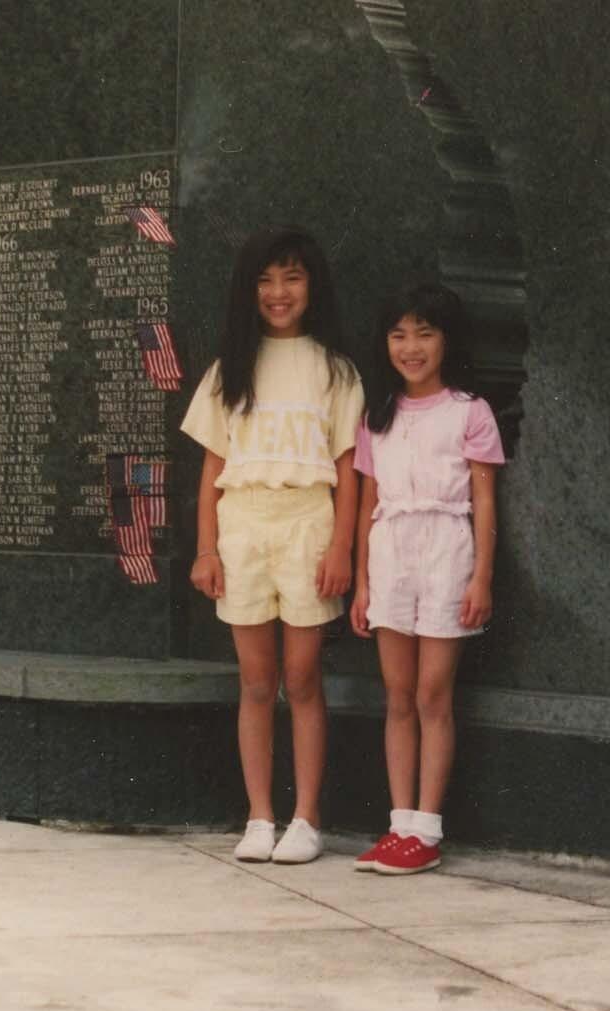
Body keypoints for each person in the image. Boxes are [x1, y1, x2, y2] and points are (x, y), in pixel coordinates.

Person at [183, 227, 363, 864]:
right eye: (264, 280)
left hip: (308, 522)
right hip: (244, 524)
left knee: (303, 676)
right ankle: (259, 816)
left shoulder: (335, 370)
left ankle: (306, 818)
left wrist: (341, 548)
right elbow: (212, 468)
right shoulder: (229, 370)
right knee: (257, 680)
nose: (278, 292)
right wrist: (206, 549)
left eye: (291, 277)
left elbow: (348, 470)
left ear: (312, 286)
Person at [348, 283, 504, 875]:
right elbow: (367, 503)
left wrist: (481, 577)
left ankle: (428, 829)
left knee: (432, 693)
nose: (411, 348)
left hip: (446, 550)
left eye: (424, 333)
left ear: (446, 340)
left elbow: (484, 501)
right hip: (390, 552)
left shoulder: (469, 411)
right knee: (397, 694)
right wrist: (363, 583)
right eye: (399, 335)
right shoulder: (377, 416)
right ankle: (399, 824)